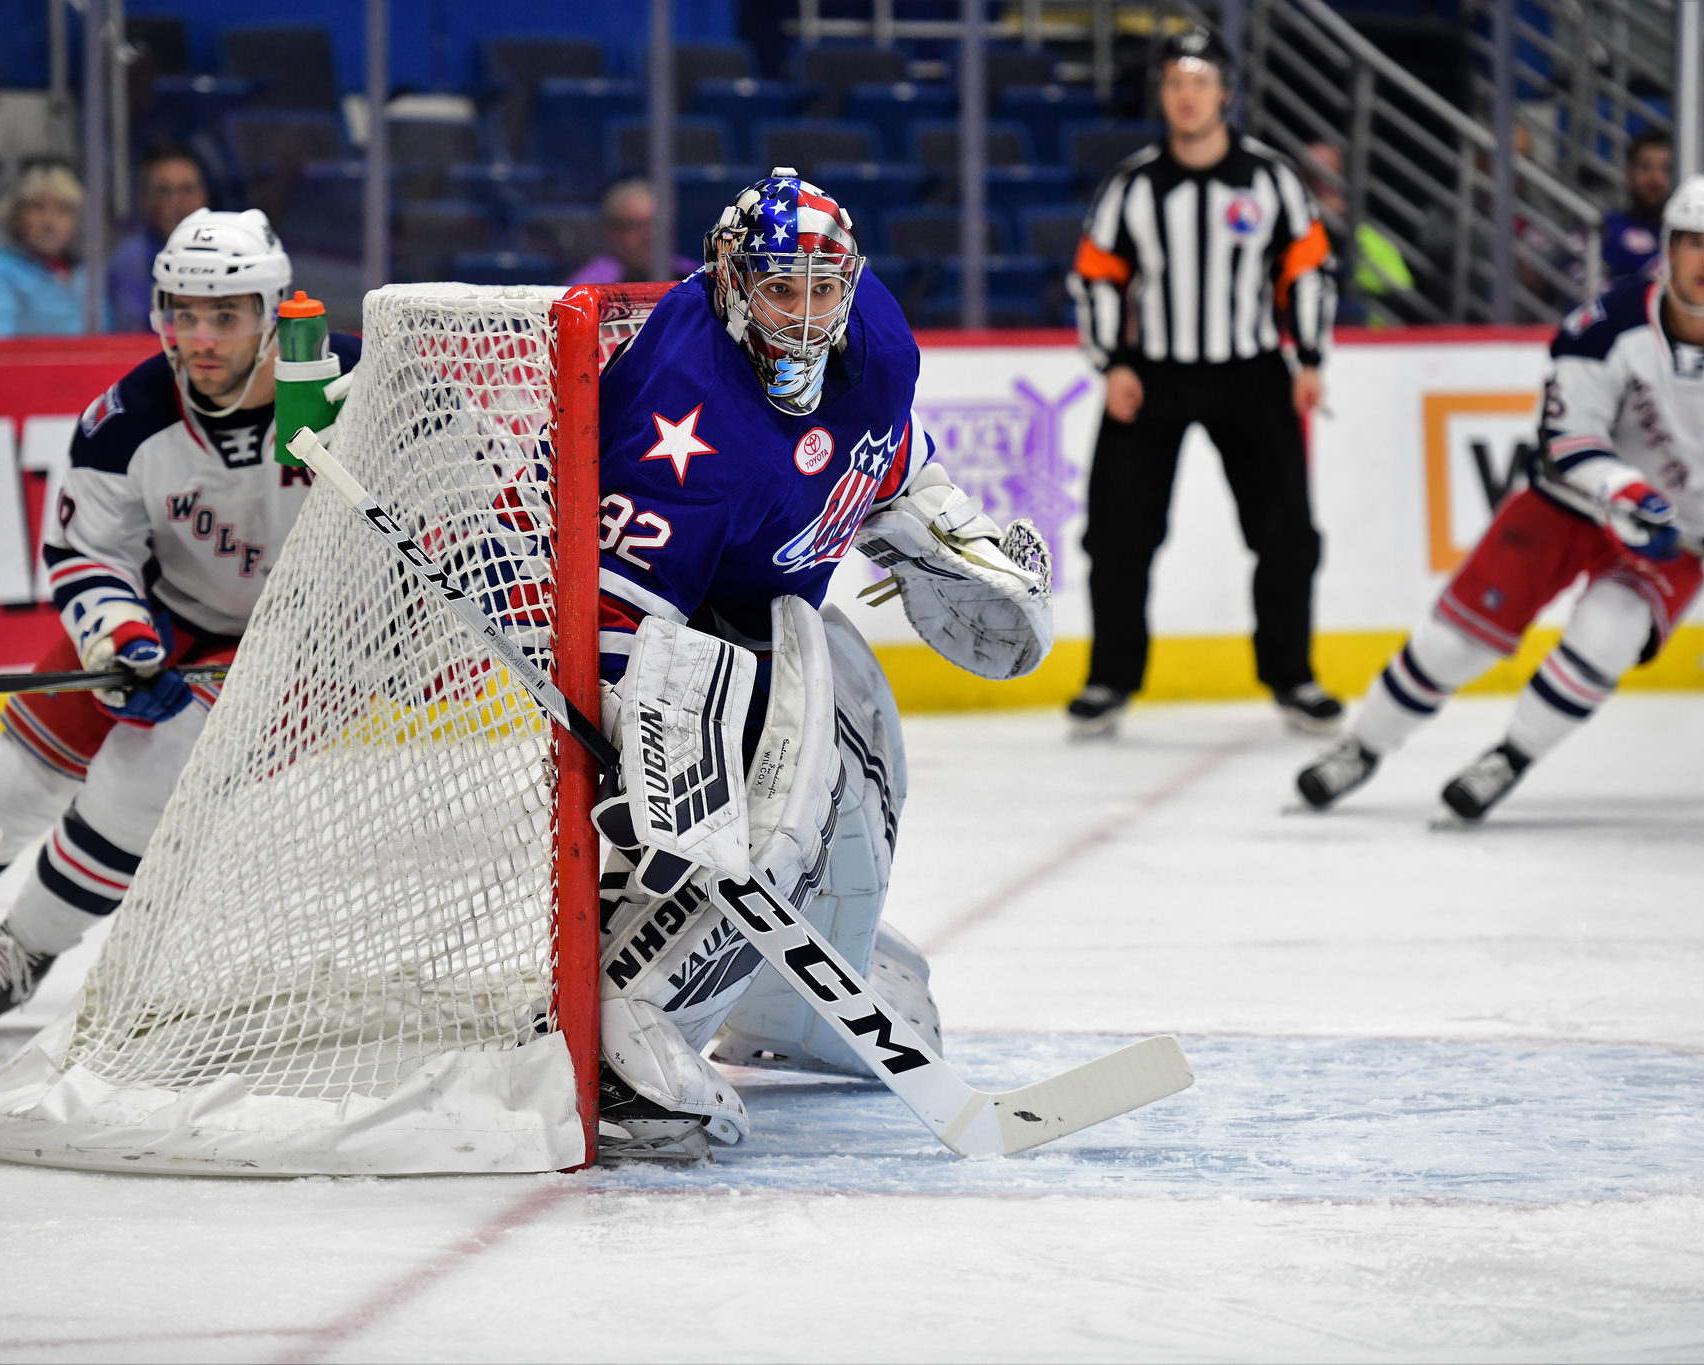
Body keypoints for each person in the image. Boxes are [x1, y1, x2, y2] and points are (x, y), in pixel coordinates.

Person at [0, 209, 362, 1029]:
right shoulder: (128, 419)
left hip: (306, 645)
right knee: (2, 782)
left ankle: (24, 947)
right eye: (183, 314)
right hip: (174, 616)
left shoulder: (353, 384)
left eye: (225, 315)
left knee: (145, 775)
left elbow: (451, 485)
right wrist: (120, 636)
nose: (201, 338)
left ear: (274, 312)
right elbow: (88, 554)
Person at [583, 168, 1054, 1157]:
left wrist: (935, 530)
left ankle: (805, 999)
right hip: (688, 644)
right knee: (736, 823)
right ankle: (631, 1017)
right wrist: (636, 745)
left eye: (819, 288)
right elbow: (615, 624)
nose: (802, 315)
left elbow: (881, 451)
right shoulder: (682, 412)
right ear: (728, 283)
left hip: (783, 625)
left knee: (862, 753)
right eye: (776, 289)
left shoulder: (874, 330)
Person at [1296, 176, 1704, 823]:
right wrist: (1627, 493)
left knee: (1608, 636)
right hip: (1566, 507)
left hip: (1681, 535)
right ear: (1668, 247)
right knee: (1454, 644)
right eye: (1693, 242)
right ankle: (1361, 748)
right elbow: (1568, 437)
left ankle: (1511, 756)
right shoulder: (1605, 323)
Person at [1064, 29, 1342, 738]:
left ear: (1225, 93)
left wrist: (1309, 359)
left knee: (1285, 534)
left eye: (1201, 82)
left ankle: (1293, 676)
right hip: (1151, 373)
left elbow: (1307, 266)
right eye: (1175, 83)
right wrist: (1112, 363)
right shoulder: (1133, 185)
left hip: (1251, 372)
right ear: (1163, 96)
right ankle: (1109, 680)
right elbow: (1095, 274)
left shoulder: (1272, 178)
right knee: (1119, 531)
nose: (1188, 96)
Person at [0, 160, 100, 338]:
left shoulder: (87, 276)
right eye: (37, 207)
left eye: (63, 210)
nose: (49, 222)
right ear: (16, 216)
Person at [1301, 140, 1414, 326]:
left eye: (1330, 175)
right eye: (1313, 176)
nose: (1322, 186)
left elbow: (1401, 286)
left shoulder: (1366, 233)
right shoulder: (1289, 229)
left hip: (1365, 332)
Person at [106, 142, 209, 331]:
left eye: (186, 190)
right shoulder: (131, 259)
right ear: (146, 199)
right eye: (164, 191)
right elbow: (132, 336)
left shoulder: (231, 251)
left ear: (203, 195)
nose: (176, 202)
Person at [563, 177, 696, 285]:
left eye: (654, 224)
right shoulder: (587, 289)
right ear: (611, 232)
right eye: (636, 226)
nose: (650, 235)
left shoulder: (694, 278)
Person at [1600, 130, 1673, 290]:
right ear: (1629, 174)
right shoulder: (1606, 229)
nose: (1656, 179)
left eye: (1666, 169)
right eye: (1645, 167)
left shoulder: (1686, 237)